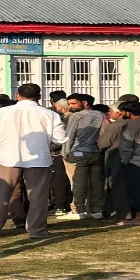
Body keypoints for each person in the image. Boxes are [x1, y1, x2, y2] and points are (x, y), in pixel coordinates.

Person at [0, 83, 68, 239]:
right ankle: (36, 229)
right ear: (39, 97)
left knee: (2, 194)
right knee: (38, 196)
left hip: (8, 157)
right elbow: (60, 139)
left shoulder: (0, 112)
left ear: (17, 95)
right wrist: (45, 142)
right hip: (39, 158)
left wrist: (5, 136)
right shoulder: (50, 114)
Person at [61, 93, 106, 221]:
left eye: (73, 103)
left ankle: (78, 209)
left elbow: (70, 135)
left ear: (85, 103)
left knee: (78, 183)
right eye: (69, 104)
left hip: (78, 152)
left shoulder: (76, 116)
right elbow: (103, 134)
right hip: (95, 152)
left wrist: (65, 152)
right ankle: (97, 210)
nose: (70, 107)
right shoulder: (100, 115)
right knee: (96, 183)